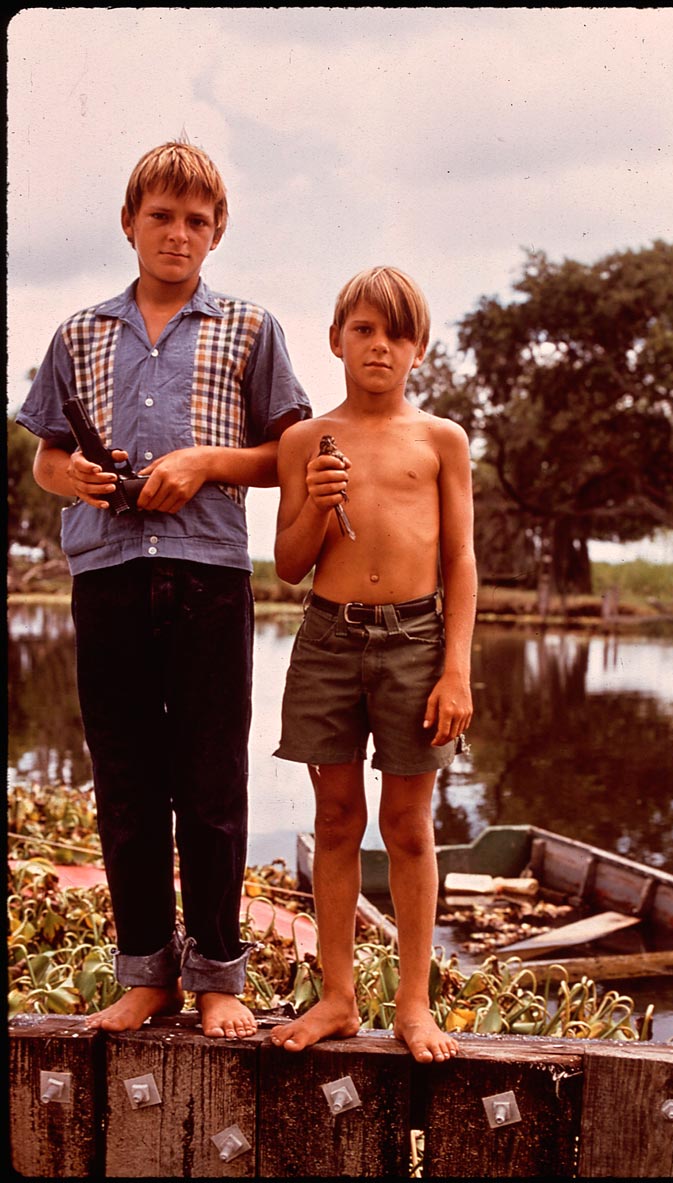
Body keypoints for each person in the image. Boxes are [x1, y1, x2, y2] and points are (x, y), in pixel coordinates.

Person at [16, 139, 312, 1038]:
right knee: (127, 780)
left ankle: (220, 975)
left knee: (213, 778)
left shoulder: (251, 329)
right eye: (162, 217)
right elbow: (44, 455)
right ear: (129, 224)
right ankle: (145, 972)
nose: (177, 234)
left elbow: (287, 452)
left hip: (209, 575)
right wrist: (68, 478)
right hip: (106, 576)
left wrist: (205, 463)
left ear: (216, 232)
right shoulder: (78, 333)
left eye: (195, 220)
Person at [271, 265, 477, 1063]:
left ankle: (415, 1004)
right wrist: (319, 500)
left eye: (396, 333)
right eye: (363, 330)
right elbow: (289, 563)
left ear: (418, 349)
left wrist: (454, 666)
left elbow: (460, 559)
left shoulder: (441, 440)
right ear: (336, 341)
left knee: (408, 826)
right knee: (333, 819)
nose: (379, 346)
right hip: (327, 637)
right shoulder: (304, 441)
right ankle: (337, 996)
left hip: (417, 641)